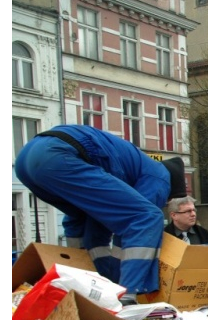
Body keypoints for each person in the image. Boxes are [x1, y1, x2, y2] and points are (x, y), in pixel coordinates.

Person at [14, 124, 187, 303]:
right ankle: (127, 297)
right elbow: (136, 224)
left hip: (26, 161)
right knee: (147, 216)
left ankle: (82, 284)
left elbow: (99, 228)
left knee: (82, 218)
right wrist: (121, 283)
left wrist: (104, 278)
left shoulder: (135, 167)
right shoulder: (160, 176)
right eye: (168, 200)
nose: (165, 203)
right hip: (58, 155)